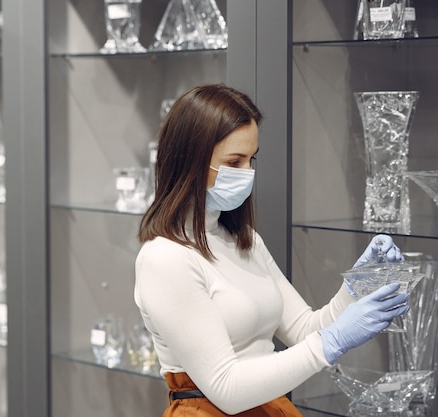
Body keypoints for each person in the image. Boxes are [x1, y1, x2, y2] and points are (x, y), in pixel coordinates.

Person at [134, 84, 409, 417]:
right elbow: (227, 389)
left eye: (252, 159)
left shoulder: (245, 240)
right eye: (234, 161)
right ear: (188, 161)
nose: (248, 173)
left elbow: (303, 329)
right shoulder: (165, 258)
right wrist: (332, 342)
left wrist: (356, 289)